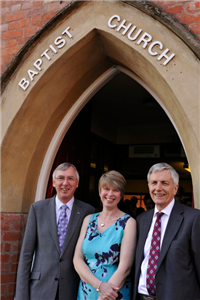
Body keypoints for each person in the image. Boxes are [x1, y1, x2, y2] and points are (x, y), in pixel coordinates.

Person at [14, 162, 95, 300]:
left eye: (70, 178)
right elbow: (27, 253)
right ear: (53, 182)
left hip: (72, 289)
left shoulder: (88, 212)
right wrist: (21, 295)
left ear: (77, 183)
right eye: (60, 178)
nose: (65, 183)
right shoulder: (37, 209)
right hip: (40, 288)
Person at [132, 162, 200, 300]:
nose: (158, 188)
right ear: (148, 186)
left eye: (164, 183)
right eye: (154, 183)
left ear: (175, 189)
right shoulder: (141, 220)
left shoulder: (193, 219)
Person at [73, 170, 137, 300]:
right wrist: (99, 286)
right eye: (106, 189)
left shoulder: (128, 223)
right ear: (99, 191)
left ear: (121, 194)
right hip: (86, 292)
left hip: (113, 294)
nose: (110, 194)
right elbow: (77, 259)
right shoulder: (88, 220)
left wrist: (103, 297)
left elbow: (125, 267)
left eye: (115, 190)